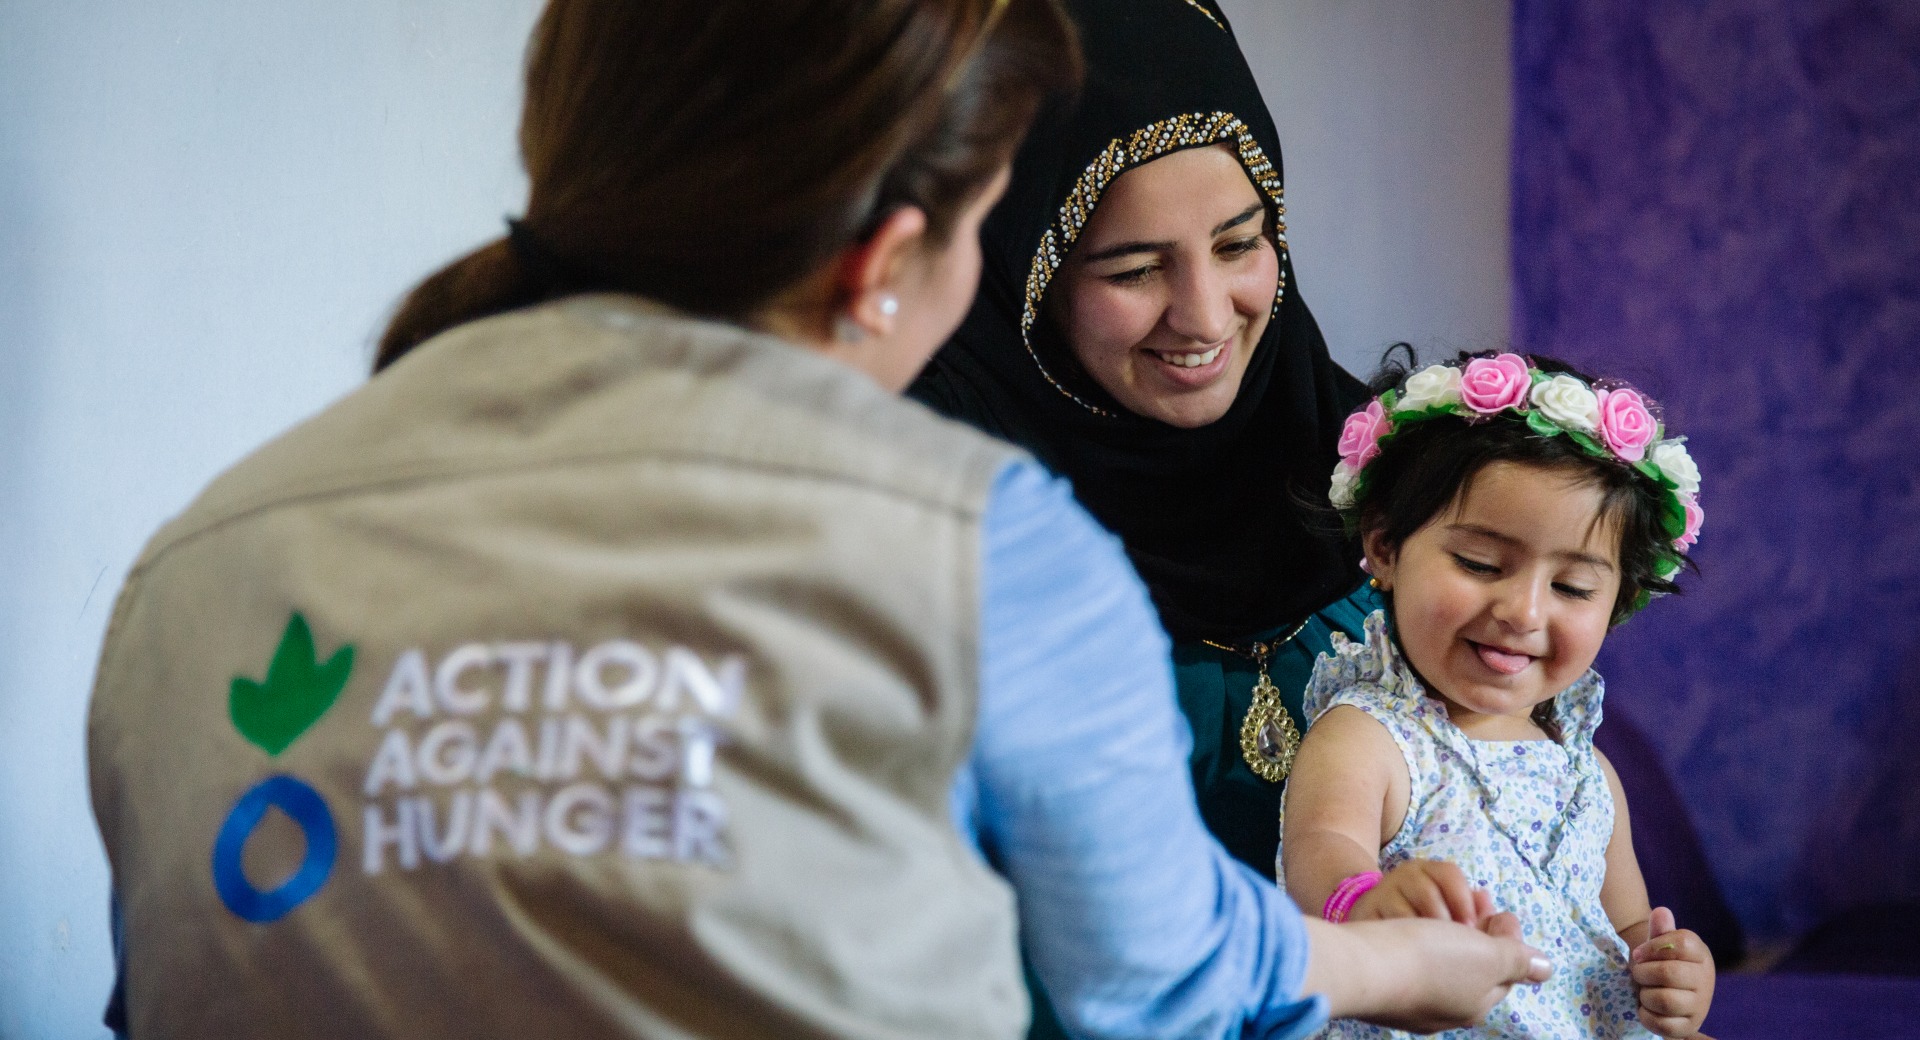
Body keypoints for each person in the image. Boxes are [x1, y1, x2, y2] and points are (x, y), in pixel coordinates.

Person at [89, 1, 1548, 1037]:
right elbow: (1153, 984)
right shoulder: (975, 546)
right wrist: (1398, 969)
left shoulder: (204, 555)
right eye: (994, 231)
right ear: (890, 259)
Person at [910, 0, 1375, 882]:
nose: (1204, 316)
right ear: (1023, 271)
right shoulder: (937, 510)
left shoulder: (1387, 469)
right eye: (1133, 269)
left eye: (1241, 244)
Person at [1278, 354, 1717, 1038]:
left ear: (1619, 603)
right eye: (1481, 565)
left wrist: (1672, 973)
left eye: (1572, 587)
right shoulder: (1371, 737)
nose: (1523, 611)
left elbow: (1627, 927)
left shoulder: (1587, 772)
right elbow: (1320, 847)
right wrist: (1368, 907)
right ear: (1386, 548)